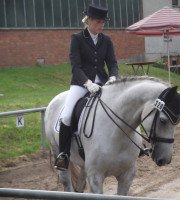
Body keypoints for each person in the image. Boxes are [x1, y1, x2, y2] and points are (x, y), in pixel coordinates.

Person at [54, 4, 119, 171]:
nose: (102, 25)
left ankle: (131, 147)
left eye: (104, 22)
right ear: (88, 20)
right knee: (67, 116)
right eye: (98, 21)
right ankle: (63, 155)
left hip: (104, 83)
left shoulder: (107, 40)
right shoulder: (77, 38)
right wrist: (88, 83)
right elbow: (75, 67)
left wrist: (112, 78)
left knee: (122, 107)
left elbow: (112, 63)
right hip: (82, 84)